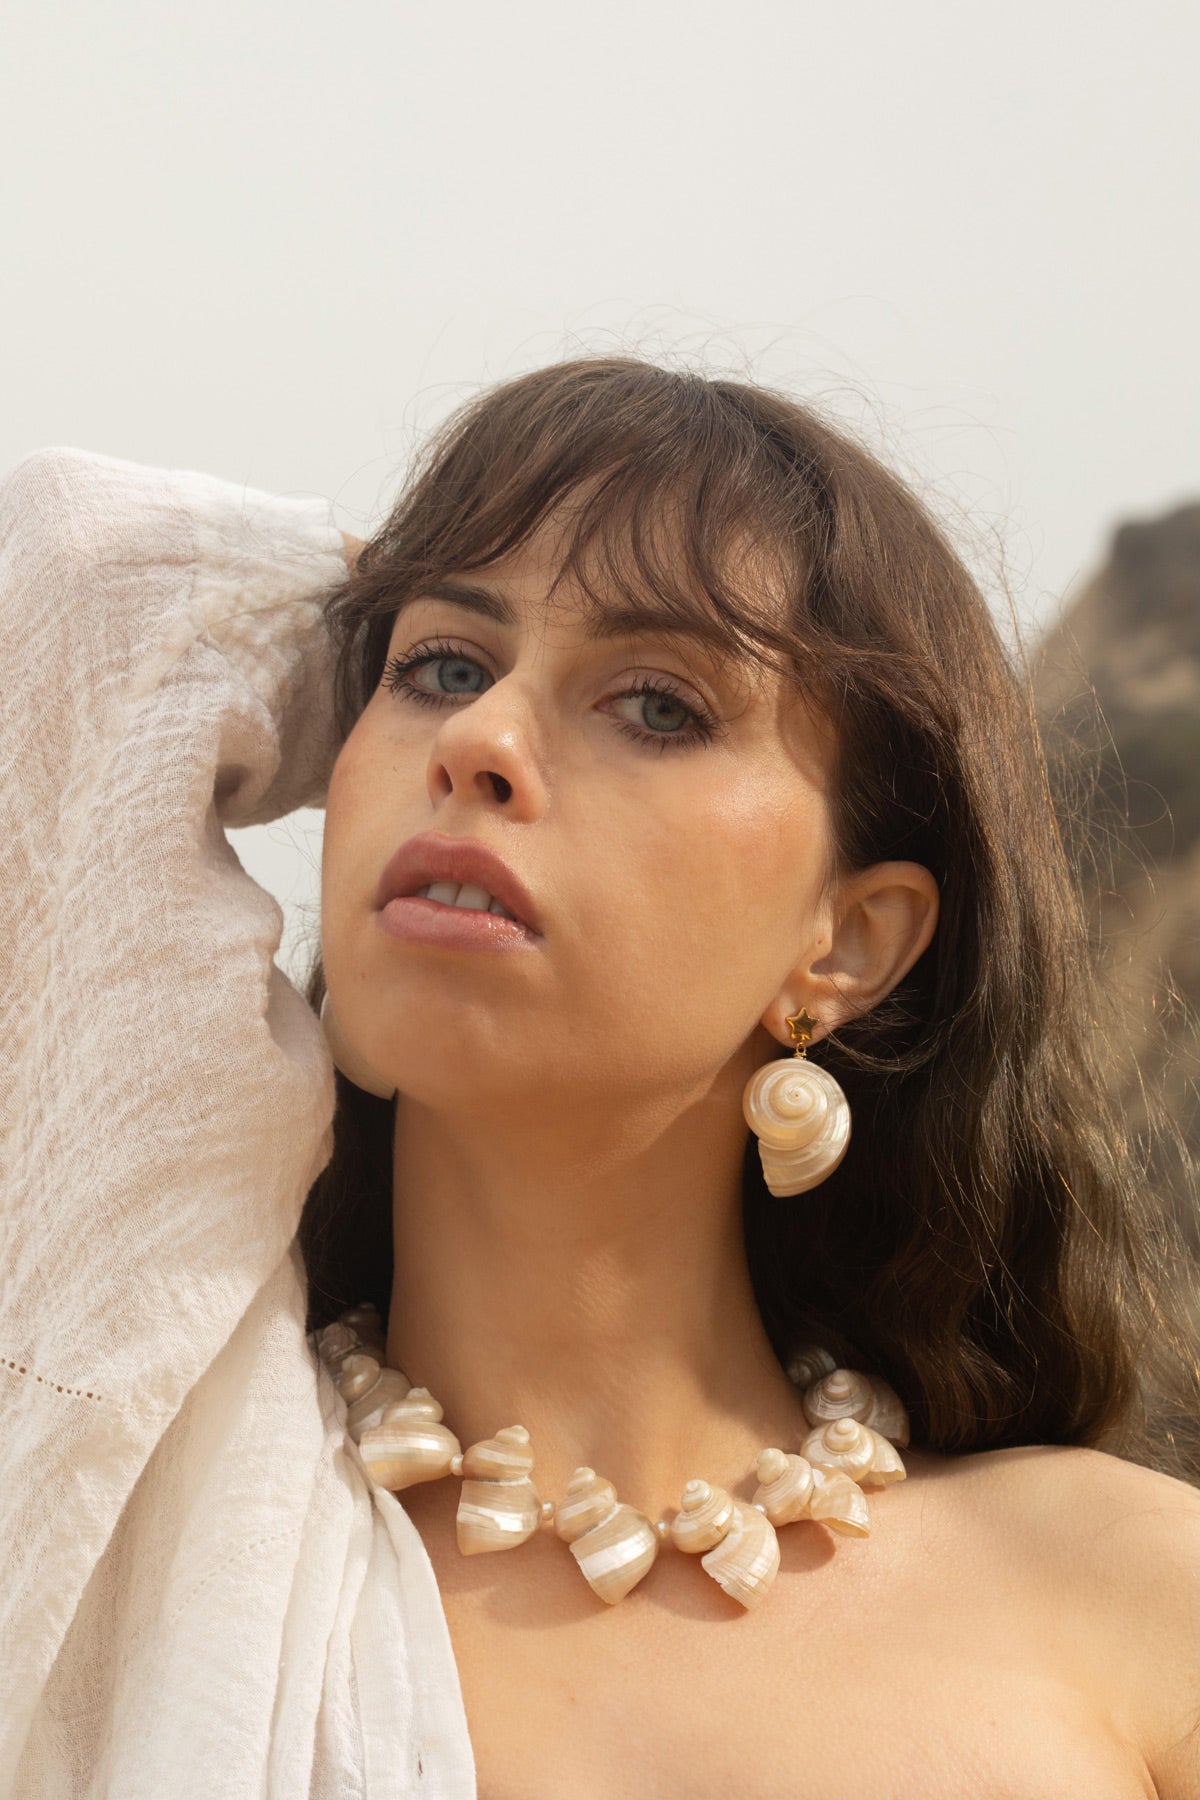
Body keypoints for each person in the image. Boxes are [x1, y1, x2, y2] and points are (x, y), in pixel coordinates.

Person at [1, 356, 1197, 1800]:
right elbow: (71, 573)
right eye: (440, 669)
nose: (478, 742)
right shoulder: (134, 1494)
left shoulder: (1132, 1604)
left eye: (658, 705)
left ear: (848, 940)